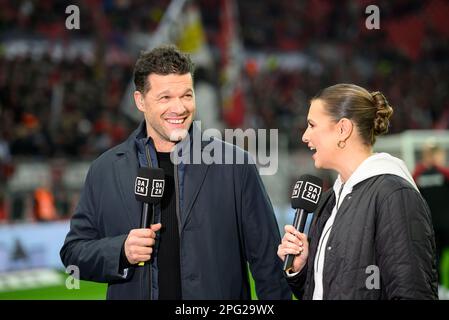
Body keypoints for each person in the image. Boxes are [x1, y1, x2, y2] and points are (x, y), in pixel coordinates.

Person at [60, 45, 290, 300]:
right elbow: (73, 254)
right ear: (140, 101)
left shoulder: (235, 164)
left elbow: (268, 262)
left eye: (186, 95)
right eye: (165, 98)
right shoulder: (105, 169)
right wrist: (120, 250)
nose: (179, 108)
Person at [277, 83, 438, 300]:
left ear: (343, 129)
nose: (305, 136)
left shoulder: (394, 195)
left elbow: (412, 293)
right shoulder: (330, 200)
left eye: (312, 125)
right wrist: (302, 269)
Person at [413, 142, 449, 289]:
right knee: (436, 258)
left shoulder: (417, 175)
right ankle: (441, 287)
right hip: (442, 224)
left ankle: (439, 288)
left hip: (429, 226)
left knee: (434, 258)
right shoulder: (444, 173)